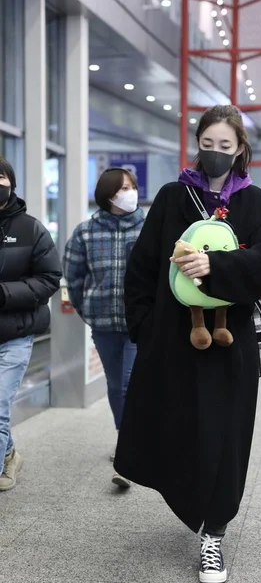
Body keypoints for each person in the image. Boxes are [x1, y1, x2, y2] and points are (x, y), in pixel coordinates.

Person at [114, 105, 261, 583]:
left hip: (232, 347)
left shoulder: (253, 203)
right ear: (197, 143)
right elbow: (143, 266)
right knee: (180, 428)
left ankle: (215, 532)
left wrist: (216, 267)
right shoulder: (173, 197)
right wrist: (145, 329)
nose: (214, 154)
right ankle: (191, 503)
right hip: (175, 342)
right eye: (207, 144)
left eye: (224, 146)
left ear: (240, 148)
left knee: (226, 437)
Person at [63, 167, 145, 488]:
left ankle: (129, 449)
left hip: (139, 324)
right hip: (104, 325)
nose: (130, 192)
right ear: (108, 196)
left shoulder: (149, 228)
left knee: (128, 384)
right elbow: (74, 277)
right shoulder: (85, 233)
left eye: (132, 187)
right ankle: (125, 436)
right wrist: (89, 312)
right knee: (114, 386)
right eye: (123, 188)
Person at [0, 156, 62, 492]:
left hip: (15, 334)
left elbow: (50, 277)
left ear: (11, 182)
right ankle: (10, 454)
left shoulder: (30, 228)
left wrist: (4, 294)